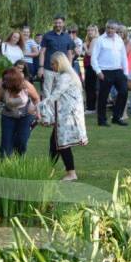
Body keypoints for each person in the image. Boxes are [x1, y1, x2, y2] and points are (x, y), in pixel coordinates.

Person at [38, 52, 88, 181]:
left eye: (53, 64)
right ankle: (50, 170)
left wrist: (40, 105)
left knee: (62, 144)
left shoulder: (65, 77)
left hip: (67, 116)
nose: (52, 66)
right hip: (68, 114)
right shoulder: (71, 75)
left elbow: (56, 94)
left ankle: (71, 173)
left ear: (59, 63)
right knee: (55, 143)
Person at [0, 67, 40, 158]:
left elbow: (36, 99)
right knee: (6, 144)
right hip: (8, 116)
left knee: (22, 141)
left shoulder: (27, 86)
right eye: (5, 80)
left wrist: (38, 112)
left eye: (8, 81)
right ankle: (4, 164)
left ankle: (19, 162)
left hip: (26, 116)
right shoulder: (3, 87)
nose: (5, 83)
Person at [91, 20, 129, 126]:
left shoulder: (119, 40)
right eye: (108, 28)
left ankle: (117, 117)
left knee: (124, 92)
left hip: (118, 70)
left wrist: (125, 73)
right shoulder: (100, 40)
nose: (110, 30)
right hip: (104, 71)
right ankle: (102, 120)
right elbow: (93, 58)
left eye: (112, 28)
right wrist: (98, 72)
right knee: (103, 97)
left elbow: (123, 57)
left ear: (116, 30)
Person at [38, 15, 75, 98]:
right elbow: (42, 52)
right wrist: (41, 67)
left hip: (62, 70)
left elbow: (69, 53)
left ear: (63, 23)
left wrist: (69, 68)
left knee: (61, 91)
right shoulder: (47, 36)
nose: (57, 24)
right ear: (53, 23)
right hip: (48, 69)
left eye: (60, 23)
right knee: (47, 92)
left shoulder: (67, 37)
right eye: (56, 23)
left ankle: (58, 110)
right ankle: (47, 110)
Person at [82, 25, 100, 114]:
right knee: (89, 86)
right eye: (88, 30)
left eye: (91, 30)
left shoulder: (95, 40)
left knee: (90, 86)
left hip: (91, 66)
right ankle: (91, 106)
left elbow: (90, 53)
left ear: (95, 31)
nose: (89, 32)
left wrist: (85, 46)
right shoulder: (91, 40)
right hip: (88, 65)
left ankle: (91, 107)